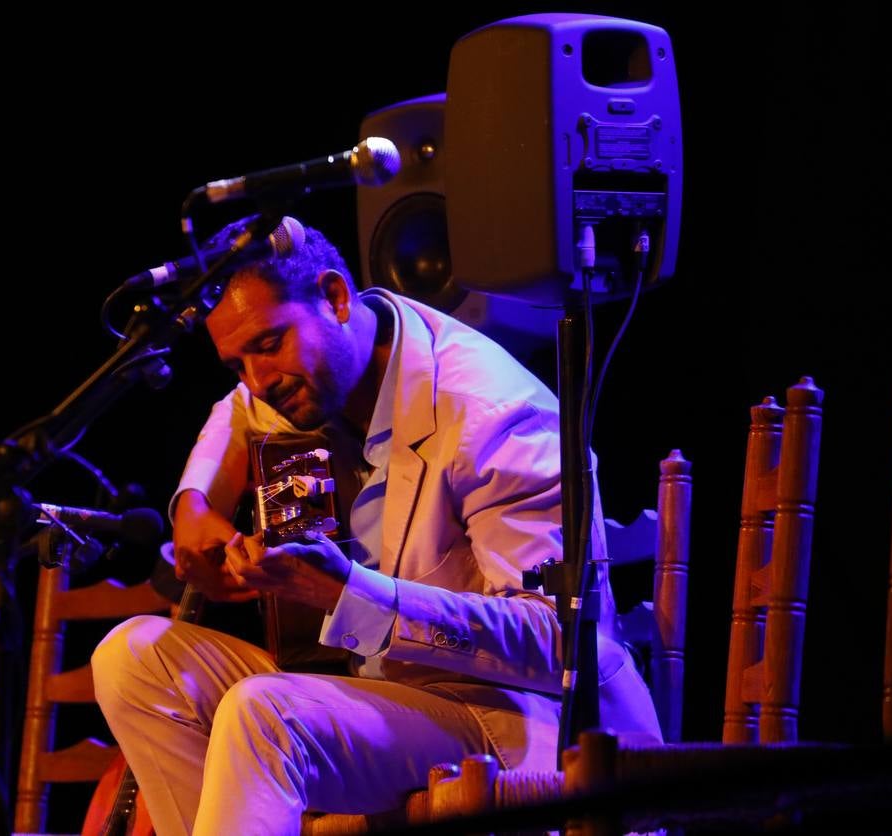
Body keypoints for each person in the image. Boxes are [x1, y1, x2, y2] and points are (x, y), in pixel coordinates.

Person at [92, 215, 660, 836]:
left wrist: (349, 595)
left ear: (335, 298)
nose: (257, 382)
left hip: (508, 715)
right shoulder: (307, 373)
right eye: (236, 363)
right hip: (386, 693)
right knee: (134, 658)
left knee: (265, 714)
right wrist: (195, 504)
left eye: (268, 345)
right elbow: (233, 414)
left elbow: (557, 639)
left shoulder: (494, 416)